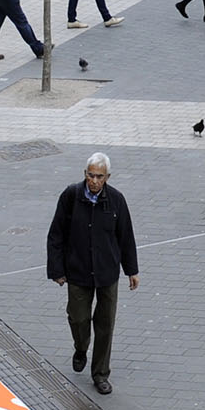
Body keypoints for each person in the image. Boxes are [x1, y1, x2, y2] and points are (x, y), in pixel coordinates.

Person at [44, 151, 139, 396]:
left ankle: (100, 374)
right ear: (84, 174)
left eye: (99, 176)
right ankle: (81, 347)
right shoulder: (71, 196)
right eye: (90, 175)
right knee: (78, 318)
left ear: (107, 177)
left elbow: (125, 236)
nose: (94, 181)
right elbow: (56, 234)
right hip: (78, 271)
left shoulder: (116, 200)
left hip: (107, 273)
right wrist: (57, 270)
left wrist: (132, 270)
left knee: (105, 324)